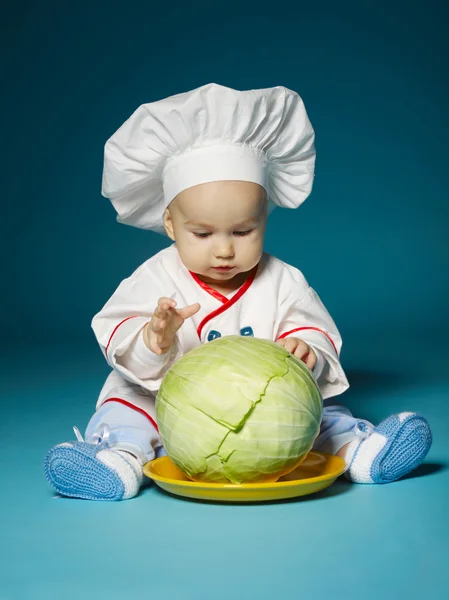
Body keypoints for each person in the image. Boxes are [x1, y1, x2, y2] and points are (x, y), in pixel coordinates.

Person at [44, 83, 432, 501]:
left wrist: (307, 350)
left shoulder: (282, 279)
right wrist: (154, 338)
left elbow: (313, 328)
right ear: (171, 224)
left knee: (318, 415)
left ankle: (362, 453)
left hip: (264, 411)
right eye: (202, 233)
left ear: (265, 218)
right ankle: (116, 461)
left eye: (244, 231)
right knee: (130, 412)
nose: (225, 249)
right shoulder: (155, 277)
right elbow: (119, 340)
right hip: (167, 404)